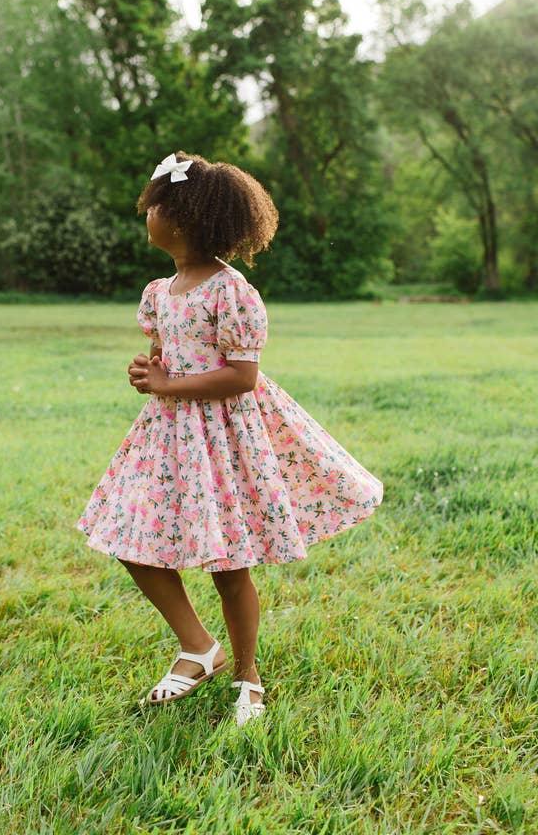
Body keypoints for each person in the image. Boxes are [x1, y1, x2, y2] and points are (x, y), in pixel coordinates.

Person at [77, 151, 384, 727]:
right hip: (167, 438)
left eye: (156, 207)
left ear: (186, 220)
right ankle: (198, 647)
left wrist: (170, 381)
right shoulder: (159, 291)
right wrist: (152, 376)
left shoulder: (230, 289)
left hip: (222, 438)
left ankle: (248, 674)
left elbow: (242, 375)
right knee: (127, 535)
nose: (147, 216)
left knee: (227, 562)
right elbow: (168, 362)